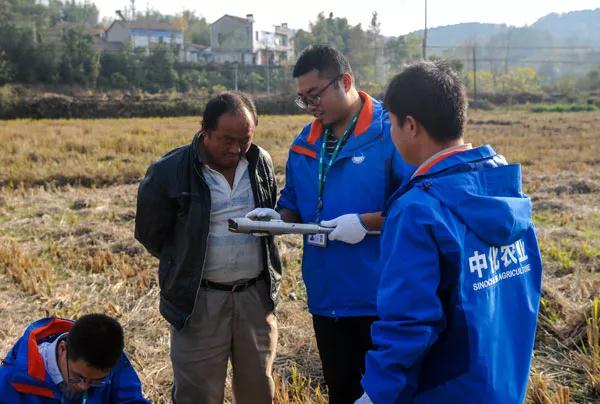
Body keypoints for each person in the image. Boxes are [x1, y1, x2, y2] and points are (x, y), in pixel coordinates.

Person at [357, 60, 543, 404]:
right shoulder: (505, 190)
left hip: (444, 390)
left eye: (391, 124)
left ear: (410, 125)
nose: (392, 136)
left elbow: (409, 323)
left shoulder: (418, 210)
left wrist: (378, 394)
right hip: (501, 383)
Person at [247, 45, 412, 404]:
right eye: (303, 99)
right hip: (327, 298)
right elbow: (293, 204)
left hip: (382, 299)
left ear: (346, 81)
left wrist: (366, 223)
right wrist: (278, 219)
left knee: (389, 395)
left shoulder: (392, 133)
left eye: (315, 94)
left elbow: (418, 207)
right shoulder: (305, 145)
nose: (311, 106)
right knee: (343, 393)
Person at [135, 91, 281, 404]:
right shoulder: (169, 171)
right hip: (199, 302)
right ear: (205, 130)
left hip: (254, 299)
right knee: (197, 394)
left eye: (245, 139)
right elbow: (151, 234)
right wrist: (186, 261)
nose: (236, 149)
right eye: (226, 140)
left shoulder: (260, 162)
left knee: (258, 388)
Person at [0, 314, 148, 403]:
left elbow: (131, 400)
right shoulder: (13, 381)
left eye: (97, 381)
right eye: (78, 376)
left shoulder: (111, 358)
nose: (84, 386)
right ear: (63, 349)